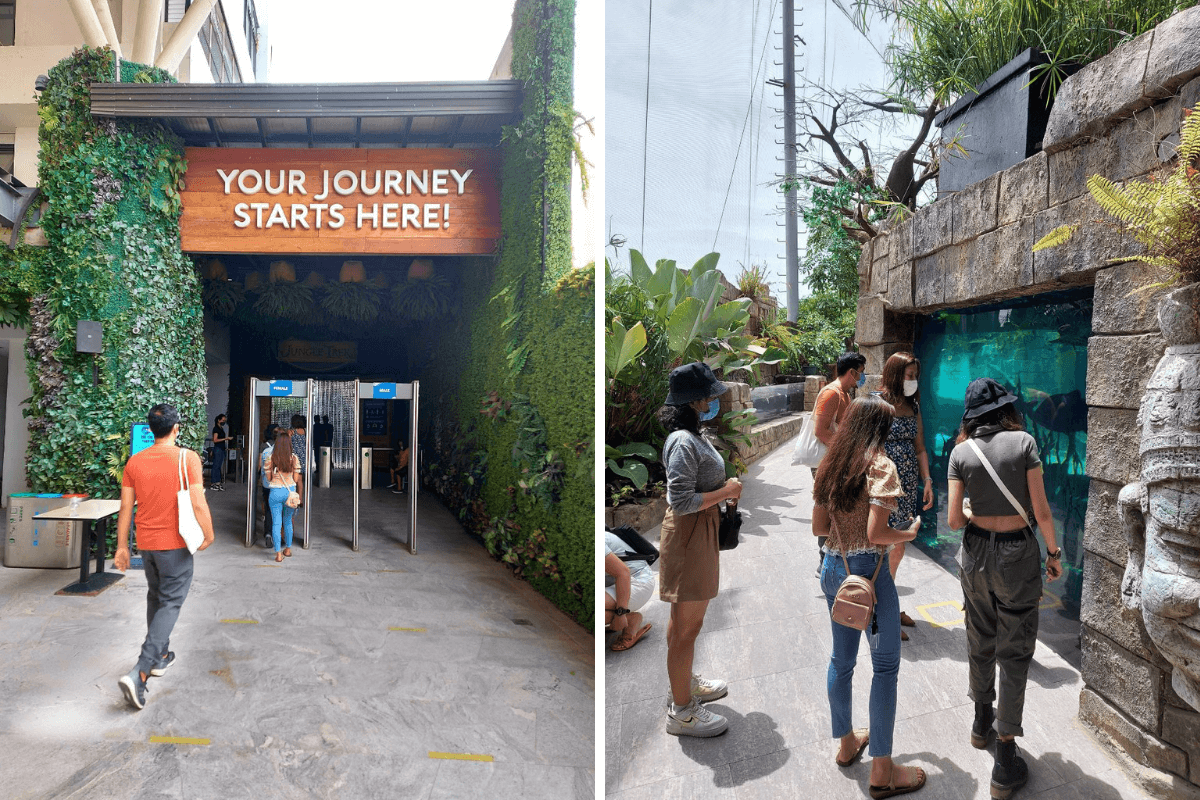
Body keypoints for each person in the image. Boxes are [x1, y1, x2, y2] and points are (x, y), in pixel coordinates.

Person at [947, 378, 1062, 800]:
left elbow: (954, 521)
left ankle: (981, 723)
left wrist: (978, 507)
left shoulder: (960, 452)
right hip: (1017, 554)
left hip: (975, 553)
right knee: (1014, 651)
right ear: (1005, 410)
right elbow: (1042, 509)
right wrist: (1054, 553)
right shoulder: (1025, 443)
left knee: (980, 638)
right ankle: (1005, 757)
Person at [812, 395, 926, 798]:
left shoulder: (832, 465)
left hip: (832, 570)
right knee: (885, 667)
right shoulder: (880, 465)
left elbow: (817, 528)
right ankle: (882, 770)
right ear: (878, 429)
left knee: (841, 661)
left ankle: (846, 744)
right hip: (870, 577)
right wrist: (907, 534)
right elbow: (879, 534)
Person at [657, 362, 743, 738]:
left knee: (684, 626)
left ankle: (684, 685)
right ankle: (682, 711)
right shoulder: (681, 442)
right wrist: (727, 492)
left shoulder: (693, 435)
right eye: (709, 396)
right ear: (694, 401)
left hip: (698, 533)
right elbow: (680, 500)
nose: (714, 401)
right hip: (690, 534)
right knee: (686, 629)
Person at [113, 404, 215, 710]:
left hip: (146, 544)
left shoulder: (135, 462)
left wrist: (121, 547)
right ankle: (140, 672)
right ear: (176, 428)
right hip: (176, 544)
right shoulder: (188, 458)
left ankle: (160, 657)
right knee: (170, 601)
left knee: (156, 597)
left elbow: (125, 509)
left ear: (151, 429)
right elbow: (197, 503)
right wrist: (209, 534)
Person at [873, 353, 934, 642]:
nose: (912, 381)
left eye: (914, 376)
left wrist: (928, 480)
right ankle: (881, 612)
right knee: (885, 548)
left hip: (907, 485)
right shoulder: (876, 404)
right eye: (908, 376)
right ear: (895, 374)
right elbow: (864, 446)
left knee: (898, 547)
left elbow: (920, 447)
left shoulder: (914, 405)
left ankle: (887, 605)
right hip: (884, 487)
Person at [811, 352, 868, 572]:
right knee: (827, 507)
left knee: (835, 507)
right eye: (860, 373)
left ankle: (831, 557)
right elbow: (820, 431)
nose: (861, 378)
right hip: (828, 461)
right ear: (852, 371)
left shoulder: (843, 393)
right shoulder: (832, 393)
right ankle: (823, 562)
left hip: (836, 460)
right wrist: (844, 452)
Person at [604, 529, 654, 652]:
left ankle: (630, 619)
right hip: (618, 582)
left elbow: (623, 573)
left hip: (639, 582)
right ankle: (621, 616)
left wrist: (620, 614)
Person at [265, 430, 302, 563]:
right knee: (287, 522)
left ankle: (278, 554)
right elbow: (296, 479)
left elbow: (269, 479)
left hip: (275, 492)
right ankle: (287, 549)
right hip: (289, 493)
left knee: (276, 522)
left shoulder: (271, 458)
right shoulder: (294, 458)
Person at [259, 423, 279, 547]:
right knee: (279, 510)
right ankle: (278, 536)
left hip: (266, 484)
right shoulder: (283, 449)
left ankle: (267, 533)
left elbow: (260, 465)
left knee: (268, 509)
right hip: (279, 485)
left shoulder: (265, 448)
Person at [209, 413, 230, 491]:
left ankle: (217, 483)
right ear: (218, 420)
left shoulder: (220, 428)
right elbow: (215, 440)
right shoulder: (216, 429)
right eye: (223, 420)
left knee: (218, 467)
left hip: (221, 449)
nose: (224, 421)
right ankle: (213, 483)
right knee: (216, 466)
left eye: (225, 420)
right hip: (218, 449)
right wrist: (226, 439)